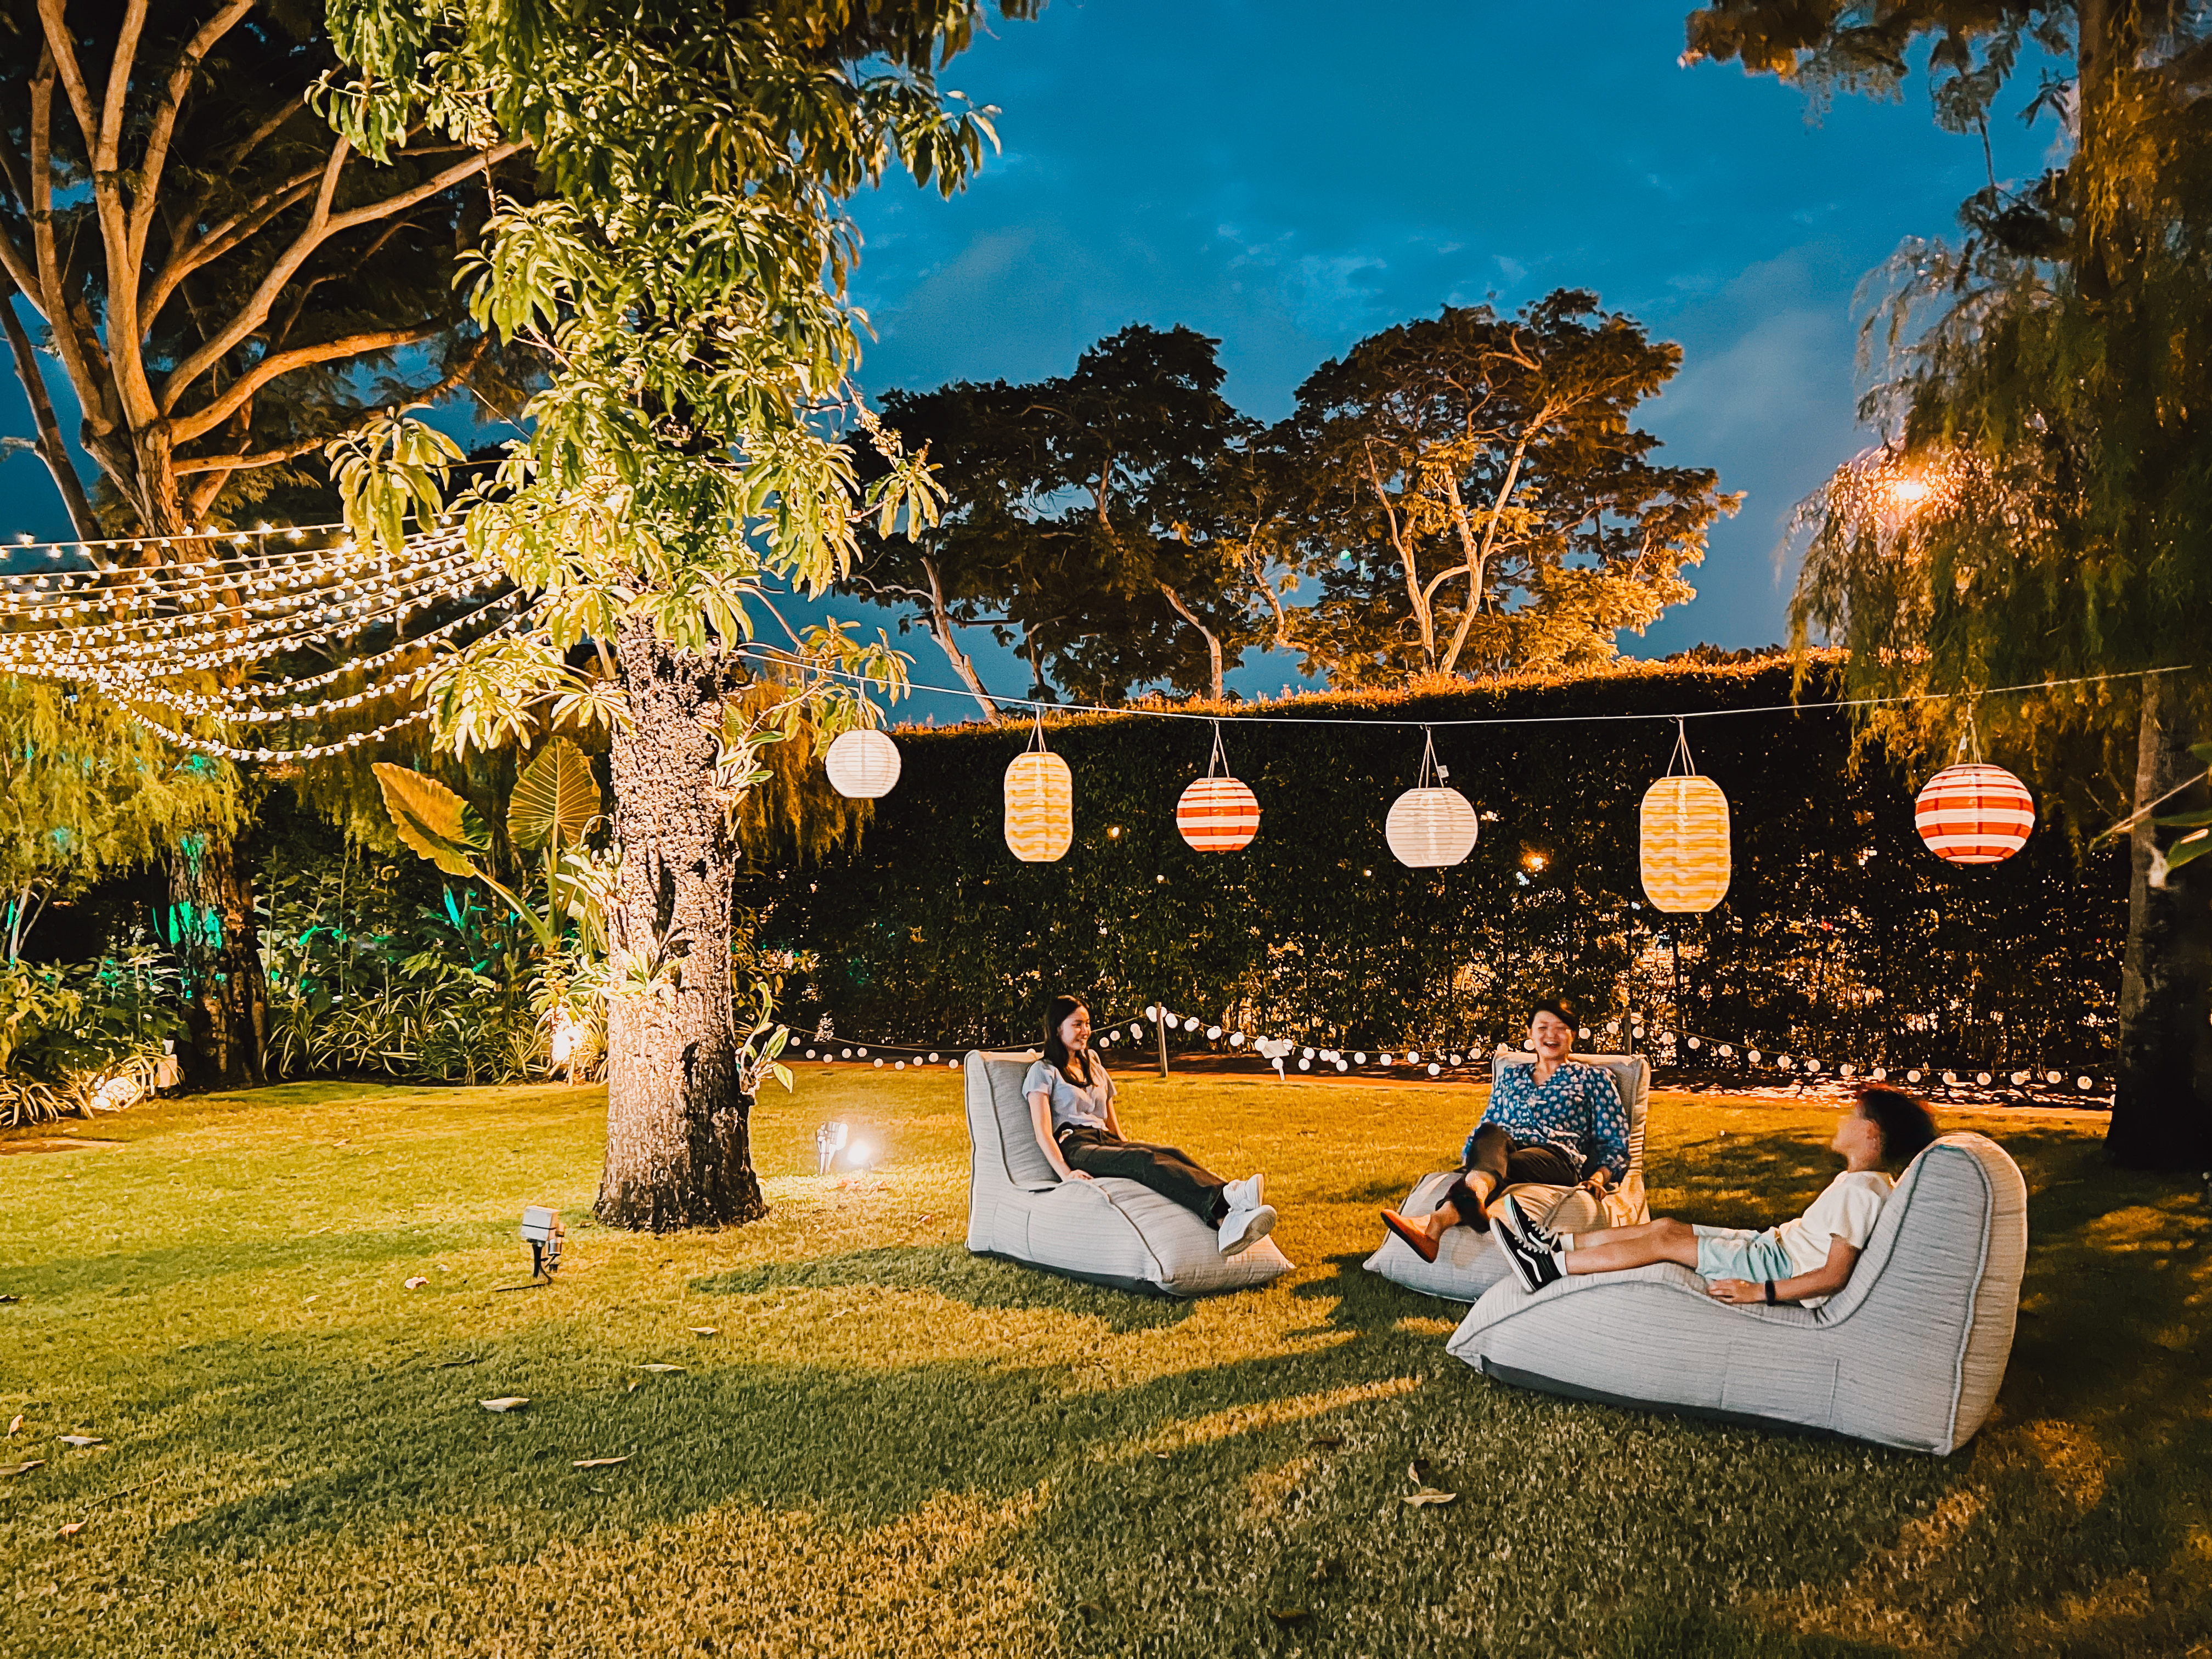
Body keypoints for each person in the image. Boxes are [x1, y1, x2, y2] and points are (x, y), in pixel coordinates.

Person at [1491, 1084, 1940, 1304]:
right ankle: (1555, 1243)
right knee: (1666, 1226)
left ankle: (1548, 1267)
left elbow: (1833, 1276)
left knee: (1661, 1243)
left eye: (1850, 1116)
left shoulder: (1862, 1192)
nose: (1841, 1122)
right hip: (1769, 1248)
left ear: (1869, 1133)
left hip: (1770, 1266)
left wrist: (1758, 1292)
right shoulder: (1865, 1185)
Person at [1024, 994, 1278, 1255]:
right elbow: (1043, 1134)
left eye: (1087, 1024)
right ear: (1057, 1028)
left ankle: (1228, 1216)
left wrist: (1126, 1145)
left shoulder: (1094, 1066)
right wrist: (1067, 1174)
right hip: (1076, 1146)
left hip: (1104, 1140)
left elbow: (1112, 1123)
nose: (1085, 1031)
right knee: (1145, 1162)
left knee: (1170, 1154)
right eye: (1077, 1024)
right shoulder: (1044, 1072)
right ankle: (1228, 1200)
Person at [1379, 999, 1629, 1261]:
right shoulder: (1511, 1075)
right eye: (1542, 1027)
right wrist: (1474, 1158)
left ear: (1573, 1035)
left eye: (1560, 1028)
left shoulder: (1594, 1079)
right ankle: (1439, 1224)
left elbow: (1614, 1142)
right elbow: (1488, 1122)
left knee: (1495, 1164)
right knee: (1489, 1132)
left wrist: (1599, 1177)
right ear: (1530, 1033)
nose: (1551, 1035)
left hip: (1555, 1158)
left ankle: (1445, 1212)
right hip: (1501, 1151)